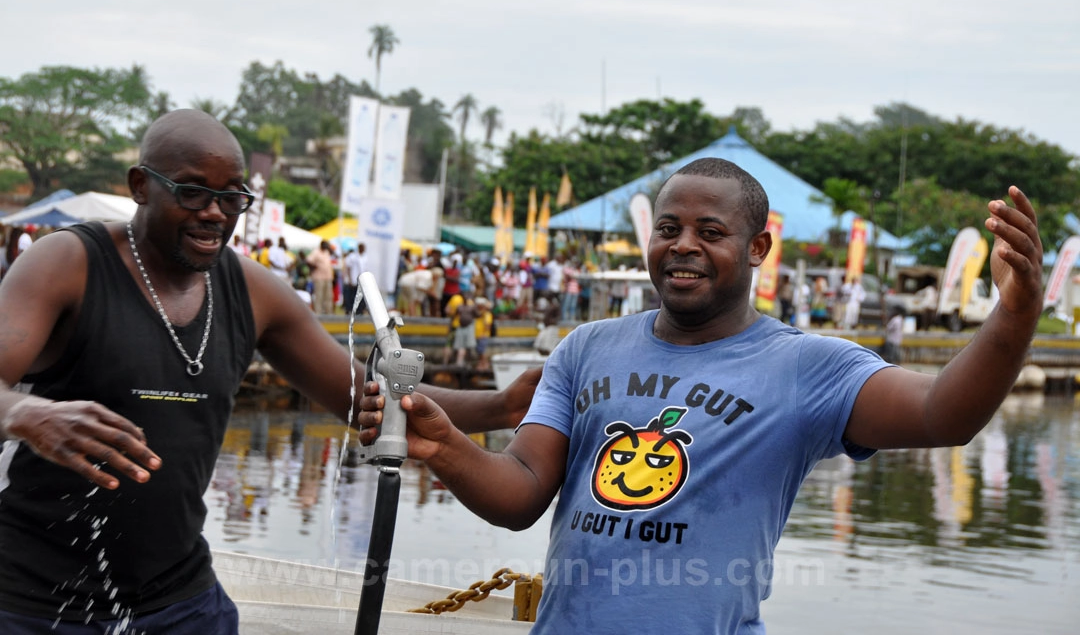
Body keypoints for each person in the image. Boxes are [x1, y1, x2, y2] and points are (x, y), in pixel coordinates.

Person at [368, 157, 1043, 634]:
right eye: (668, 229)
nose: (683, 246)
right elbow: (518, 494)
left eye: (710, 233)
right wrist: (447, 448)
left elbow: (942, 414)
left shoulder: (805, 366)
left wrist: (1014, 316)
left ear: (758, 248)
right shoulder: (585, 347)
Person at [0, 109, 538, 634]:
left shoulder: (253, 291)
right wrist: (28, 412)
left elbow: (365, 398)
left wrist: (503, 406)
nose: (215, 212)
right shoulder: (67, 263)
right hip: (32, 600)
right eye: (192, 191)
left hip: (180, 602)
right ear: (141, 185)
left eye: (233, 197)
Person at [306, 239, 335, 315]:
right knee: (319, 296)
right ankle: (318, 313)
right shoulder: (316, 252)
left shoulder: (327, 252)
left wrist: (329, 248)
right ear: (322, 245)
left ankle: (329, 312)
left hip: (328, 277)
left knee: (329, 296)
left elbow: (334, 254)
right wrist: (315, 267)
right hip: (319, 277)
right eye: (325, 245)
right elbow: (308, 261)